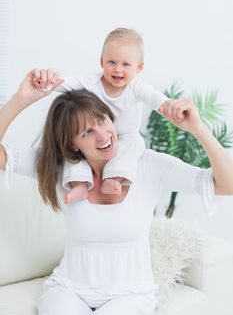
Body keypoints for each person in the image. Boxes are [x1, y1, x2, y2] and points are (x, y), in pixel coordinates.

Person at [1, 69, 233, 315]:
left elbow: (226, 185)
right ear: (72, 144)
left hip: (130, 295)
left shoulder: (148, 165)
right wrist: (22, 99)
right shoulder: (60, 167)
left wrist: (198, 129)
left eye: (102, 120)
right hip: (69, 288)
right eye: (86, 132)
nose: (102, 136)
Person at [33, 28, 173, 205]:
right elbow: (67, 83)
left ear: (139, 67)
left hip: (126, 136)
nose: (117, 70)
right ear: (101, 61)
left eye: (125, 64)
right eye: (111, 62)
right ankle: (79, 184)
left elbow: (153, 97)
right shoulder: (91, 82)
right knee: (76, 154)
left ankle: (114, 178)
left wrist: (168, 106)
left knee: (135, 144)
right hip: (96, 139)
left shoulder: (136, 87)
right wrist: (47, 82)